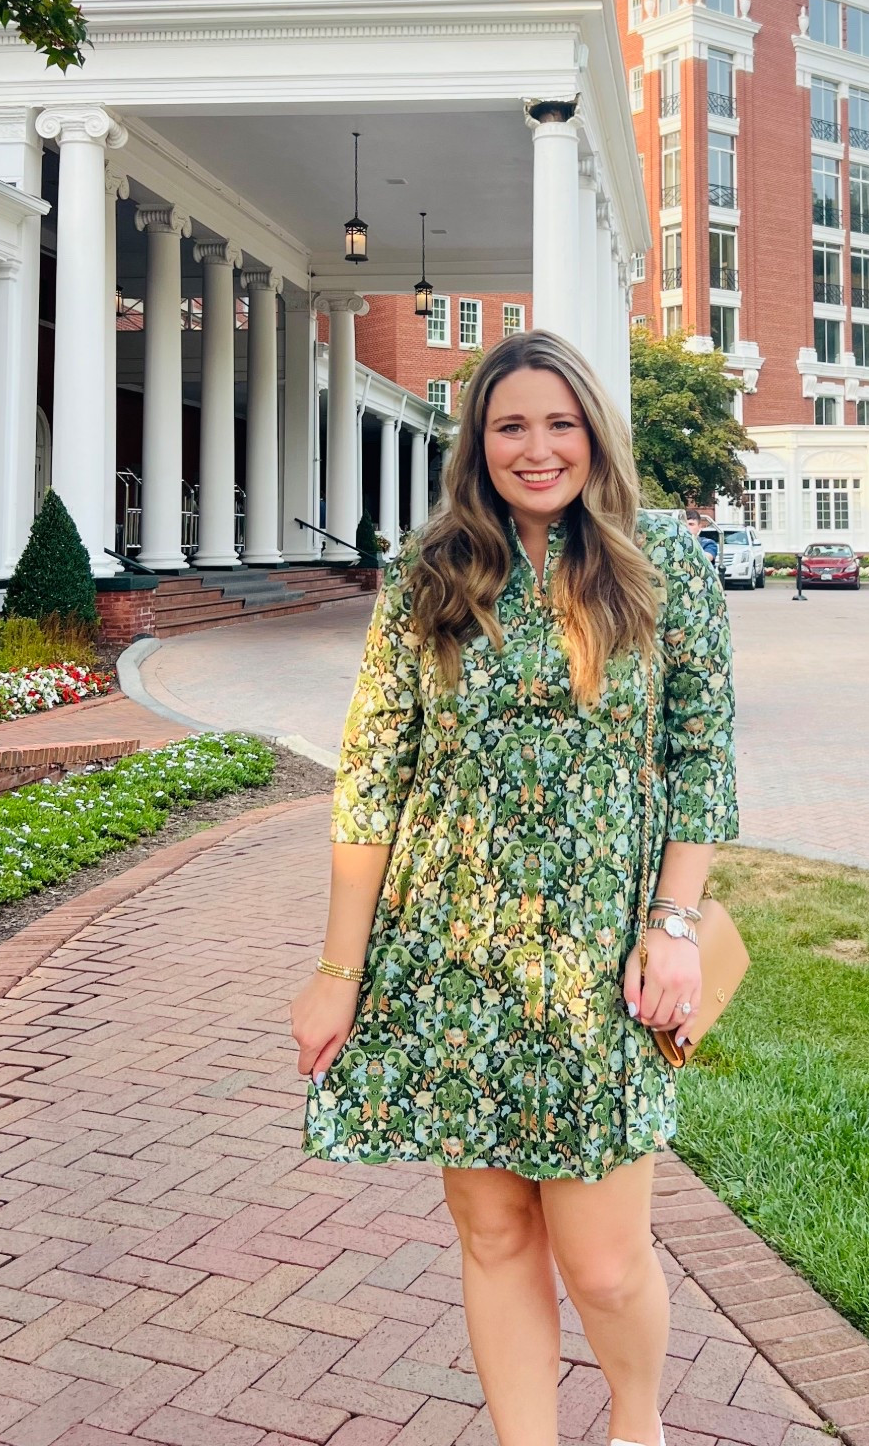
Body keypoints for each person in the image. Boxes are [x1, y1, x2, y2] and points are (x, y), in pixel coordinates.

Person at [291, 328, 737, 1446]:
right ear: (478, 443)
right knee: (491, 1231)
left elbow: (703, 755)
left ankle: (639, 1424)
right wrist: (338, 970)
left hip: (599, 957)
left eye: (559, 422)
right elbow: (374, 775)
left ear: (593, 430)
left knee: (602, 1253)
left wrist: (674, 924)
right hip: (452, 952)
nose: (537, 448)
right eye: (510, 426)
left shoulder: (664, 561)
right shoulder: (428, 574)